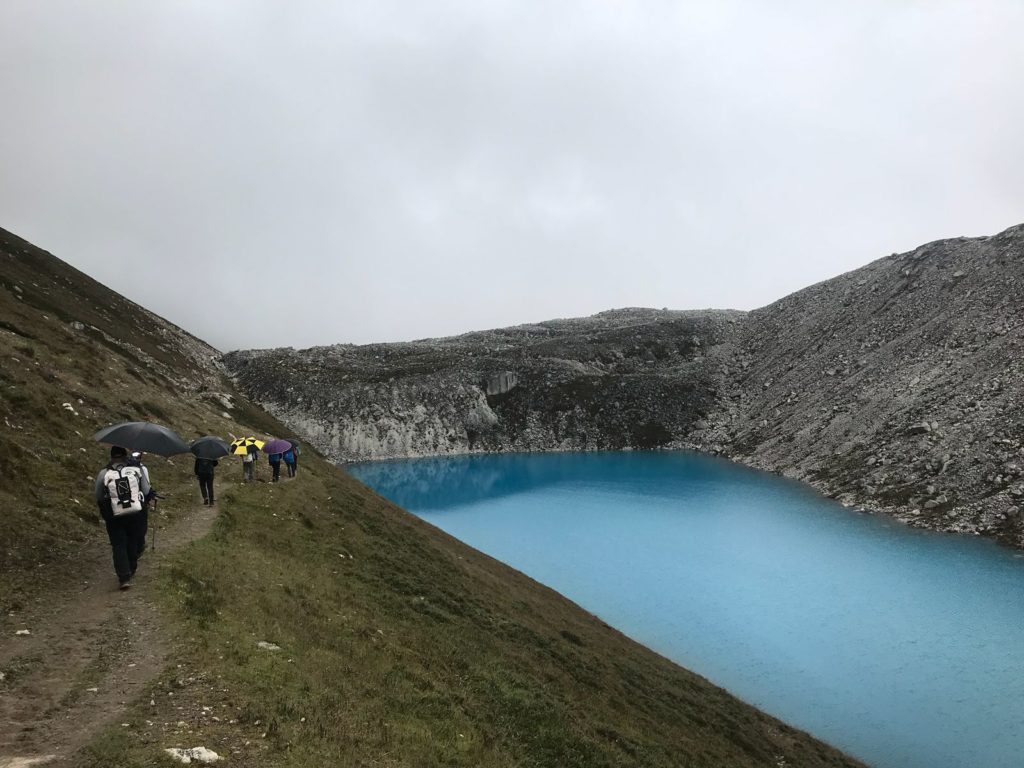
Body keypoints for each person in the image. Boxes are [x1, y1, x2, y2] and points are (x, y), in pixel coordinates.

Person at [94, 446, 151, 589]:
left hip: (114, 515)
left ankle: (124, 577)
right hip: (134, 512)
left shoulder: (104, 473)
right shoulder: (135, 470)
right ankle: (131, 568)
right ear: (125, 456)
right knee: (132, 540)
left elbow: (99, 495)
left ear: (111, 457)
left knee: (118, 544)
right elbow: (146, 490)